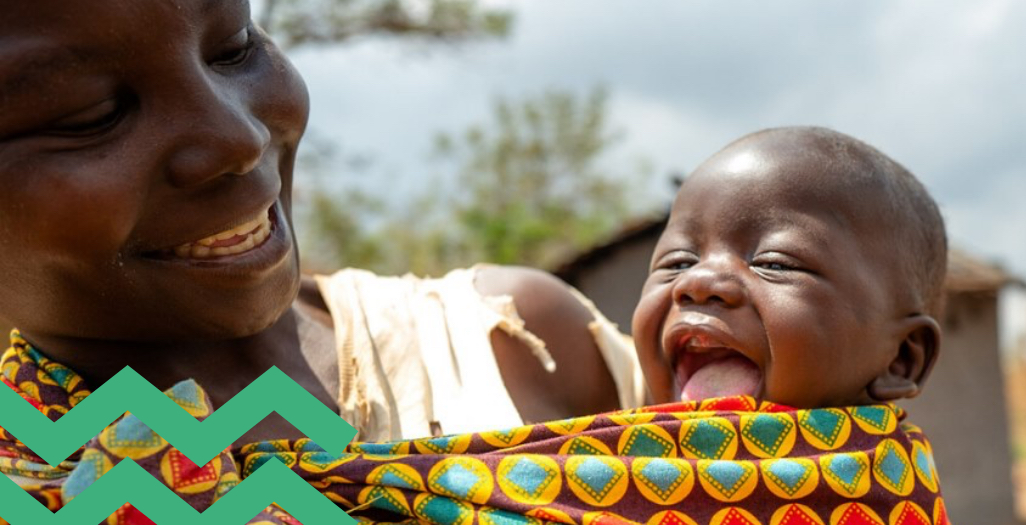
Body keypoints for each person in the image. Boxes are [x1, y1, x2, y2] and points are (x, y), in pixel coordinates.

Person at [0, 0, 641, 446]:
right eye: (91, 115)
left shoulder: (513, 349)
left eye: (233, 48)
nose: (237, 137)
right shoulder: (30, 512)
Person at [634, 126, 945, 412]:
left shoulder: (880, 472)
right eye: (679, 263)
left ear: (899, 359)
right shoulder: (615, 459)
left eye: (773, 263)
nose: (696, 281)